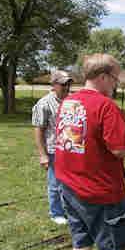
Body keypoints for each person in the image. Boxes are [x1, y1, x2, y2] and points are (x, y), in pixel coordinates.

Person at [55, 53, 125, 250]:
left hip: (68, 184)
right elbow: (119, 148)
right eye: (115, 79)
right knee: (120, 242)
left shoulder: (68, 102)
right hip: (101, 190)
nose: (116, 84)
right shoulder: (105, 106)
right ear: (104, 76)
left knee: (80, 239)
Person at [32, 70, 73, 225]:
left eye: (68, 83)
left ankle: (70, 209)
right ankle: (56, 213)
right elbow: (38, 130)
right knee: (55, 184)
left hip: (71, 149)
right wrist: (43, 155)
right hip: (54, 151)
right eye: (63, 84)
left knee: (70, 183)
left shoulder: (72, 100)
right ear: (54, 85)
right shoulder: (44, 104)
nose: (67, 87)